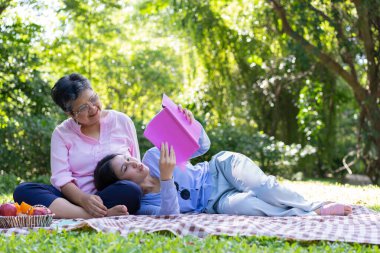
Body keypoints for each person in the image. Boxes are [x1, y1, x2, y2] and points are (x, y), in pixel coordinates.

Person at [94, 107, 352, 216]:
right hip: (214, 202)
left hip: (219, 169)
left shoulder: (152, 155)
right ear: (121, 183)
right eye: (126, 167)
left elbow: (203, 147)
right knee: (252, 206)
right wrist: (166, 177)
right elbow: (171, 217)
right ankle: (310, 214)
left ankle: (314, 205)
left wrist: (190, 123)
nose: (134, 162)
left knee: (263, 186)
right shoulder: (145, 206)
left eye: (129, 158)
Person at [13, 73, 143, 218]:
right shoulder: (61, 133)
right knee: (23, 191)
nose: (93, 108)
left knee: (132, 191)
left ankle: (81, 213)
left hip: (112, 195)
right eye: (82, 108)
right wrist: (83, 199)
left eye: (93, 99)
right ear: (70, 113)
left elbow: (136, 165)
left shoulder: (122, 121)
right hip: (71, 200)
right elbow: (61, 178)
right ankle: (92, 215)